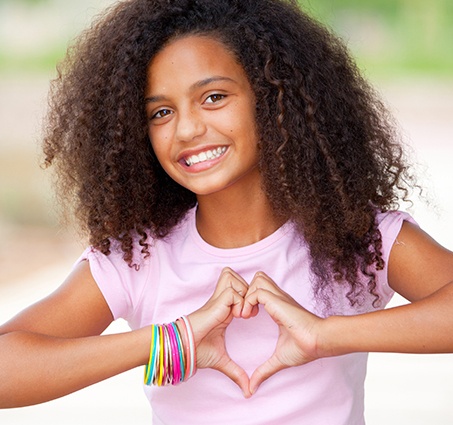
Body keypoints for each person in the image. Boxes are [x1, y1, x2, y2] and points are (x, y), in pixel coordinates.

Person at [1, 0, 452, 424]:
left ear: (275, 98)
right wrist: (169, 342)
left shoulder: (355, 237)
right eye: (160, 112)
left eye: (213, 97)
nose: (188, 129)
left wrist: (325, 335)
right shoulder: (141, 258)